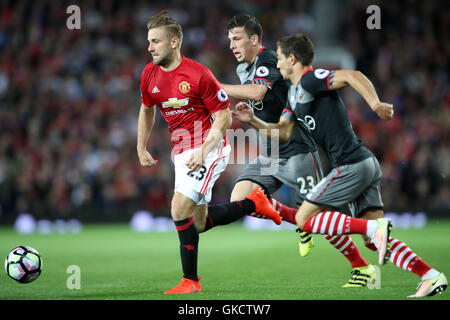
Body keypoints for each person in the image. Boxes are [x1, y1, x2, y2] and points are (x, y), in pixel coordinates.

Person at [233, 32, 447, 297]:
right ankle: (430, 275)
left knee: (304, 217)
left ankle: (372, 228)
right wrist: (252, 120)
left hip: (351, 165)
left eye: (279, 58)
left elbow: (352, 76)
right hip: (366, 163)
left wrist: (375, 103)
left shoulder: (311, 79)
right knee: (373, 244)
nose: (276, 64)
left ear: (292, 59)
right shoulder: (293, 95)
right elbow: (282, 132)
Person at [222, 15, 377, 288]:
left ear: (254, 39)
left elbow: (258, 93)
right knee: (241, 199)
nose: (232, 44)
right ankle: (298, 220)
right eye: (229, 39)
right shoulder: (242, 69)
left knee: (318, 218)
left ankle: (362, 268)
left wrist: (215, 87)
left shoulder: (269, 59)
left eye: (237, 38)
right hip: (270, 151)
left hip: (296, 148)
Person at [137, 11, 280, 295]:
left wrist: (204, 150)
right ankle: (254, 204)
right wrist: (141, 146)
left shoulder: (199, 73)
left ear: (174, 42)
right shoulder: (148, 74)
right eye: (149, 41)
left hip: (209, 148)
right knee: (198, 223)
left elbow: (224, 118)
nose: (149, 47)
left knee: (178, 209)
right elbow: (146, 108)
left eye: (155, 41)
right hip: (182, 151)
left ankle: (190, 281)